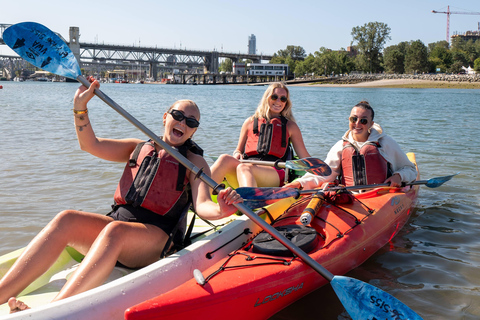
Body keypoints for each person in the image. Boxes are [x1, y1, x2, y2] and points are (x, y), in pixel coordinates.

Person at [2, 78, 242, 313]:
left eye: (191, 121)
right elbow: (90, 145)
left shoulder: (193, 161)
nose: (183, 122)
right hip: (118, 226)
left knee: (114, 231)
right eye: (178, 115)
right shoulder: (138, 147)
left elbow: (202, 205)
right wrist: (80, 107)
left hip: (156, 238)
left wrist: (222, 209)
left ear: (193, 130)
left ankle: (54, 310)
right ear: (165, 117)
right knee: (66, 219)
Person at [285, 101, 417, 191]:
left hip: (381, 195)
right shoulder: (340, 146)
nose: (357, 124)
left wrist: (398, 176)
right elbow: (324, 174)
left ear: (371, 124)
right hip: (350, 196)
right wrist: (299, 183)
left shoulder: (385, 143)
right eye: (353, 119)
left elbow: (411, 170)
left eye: (363, 120)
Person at [210, 82, 311, 188]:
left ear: (286, 103)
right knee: (224, 158)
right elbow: (238, 150)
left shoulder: (290, 126)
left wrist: (323, 172)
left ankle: (249, 202)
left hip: (274, 171)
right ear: (267, 98)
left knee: (244, 167)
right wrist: (237, 153)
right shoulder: (249, 122)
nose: (278, 101)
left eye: (283, 99)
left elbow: (304, 157)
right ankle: (200, 196)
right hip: (247, 167)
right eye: (274, 97)